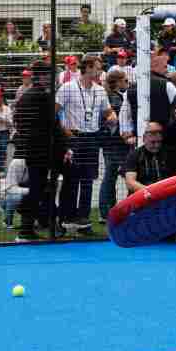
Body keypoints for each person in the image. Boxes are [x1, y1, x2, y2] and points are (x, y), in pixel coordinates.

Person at [55, 56, 115, 233]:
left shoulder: (100, 90)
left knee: (88, 181)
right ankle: (65, 218)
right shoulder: (67, 88)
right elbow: (55, 112)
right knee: (71, 180)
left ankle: (83, 219)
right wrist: (64, 130)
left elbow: (108, 111)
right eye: (97, 67)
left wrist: (112, 117)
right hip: (73, 137)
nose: (100, 71)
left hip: (92, 138)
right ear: (87, 68)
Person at [13, 61, 64, 241]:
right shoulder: (42, 97)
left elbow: (18, 122)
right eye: (52, 75)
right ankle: (28, 227)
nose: (56, 78)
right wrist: (63, 147)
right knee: (39, 189)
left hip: (33, 150)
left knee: (39, 188)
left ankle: (38, 224)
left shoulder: (25, 97)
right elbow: (53, 127)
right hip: (43, 152)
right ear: (43, 76)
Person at [122, 121, 176, 243]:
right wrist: (150, 192)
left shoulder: (170, 154)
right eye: (152, 142)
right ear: (144, 139)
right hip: (142, 198)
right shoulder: (134, 155)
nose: (156, 145)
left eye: (159, 142)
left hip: (165, 198)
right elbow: (130, 182)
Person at [98, 68, 131, 223]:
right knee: (115, 176)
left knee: (110, 176)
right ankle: (107, 211)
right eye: (125, 80)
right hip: (116, 143)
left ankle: (107, 210)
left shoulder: (112, 97)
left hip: (110, 143)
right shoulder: (115, 99)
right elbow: (116, 121)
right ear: (117, 82)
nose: (127, 83)